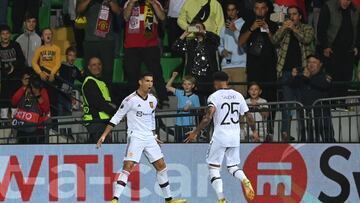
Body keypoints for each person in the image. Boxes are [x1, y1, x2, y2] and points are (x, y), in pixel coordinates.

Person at [96, 73, 187, 203]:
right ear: (140, 82)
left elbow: (151, 118)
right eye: (147, 81)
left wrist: (154, 135)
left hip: (149, 137)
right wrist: (104, 135)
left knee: (161, 166)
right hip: (136, 136)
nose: (150, 84)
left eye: (152, 81)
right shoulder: (130, 100)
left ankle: (169, 199)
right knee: (128, 166)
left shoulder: (153, 100)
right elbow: (116, 117)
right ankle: (115, 199)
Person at [184, 71, 258, 203]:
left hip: (220, 136)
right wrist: (254, 131)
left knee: (213, 168)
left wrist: (196, 132)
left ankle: (221, 199)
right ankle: (244, 179)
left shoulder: (214, 96)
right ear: (227, 81)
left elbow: (208, 117)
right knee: (233, 166)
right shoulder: (238, 95)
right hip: (235, 136)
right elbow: (249, 116)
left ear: (216, 82)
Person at [271, 6, 314, 141]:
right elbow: (274, 41)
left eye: (294, 14)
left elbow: (306, 39)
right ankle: (285, 134)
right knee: (287, 104)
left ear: (300, 16)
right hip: (286, 71)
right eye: (289, 15)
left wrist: (294, 29)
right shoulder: (285, 29)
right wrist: (284, 28)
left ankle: (303, 135)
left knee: (301, 104)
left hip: (303, 71)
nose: (292, 17)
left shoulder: (307, 28)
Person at [122, 0, 169, 106]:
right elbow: (125, 17)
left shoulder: (155, 2)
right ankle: (133, 100)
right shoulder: (129, 2)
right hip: (132, 45)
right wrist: (131, 3)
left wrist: (152, 3)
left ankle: (163, 98)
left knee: (156, 73)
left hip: (150, 45)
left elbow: (162, 17)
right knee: (132, 74)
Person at [318, 0, 360, 97]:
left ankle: (342, 104)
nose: (346, 2)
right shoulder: (328, 6)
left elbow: (358, 30)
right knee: (332, 80)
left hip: (349, 52)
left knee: (346, 79)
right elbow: (321, 29)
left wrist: (357, 46)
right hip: (332, 51)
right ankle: (331, 104)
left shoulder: (355, 9)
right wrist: (325, 46)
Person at [239, 0, 278, 103]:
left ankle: (270, 119)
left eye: (262, 8)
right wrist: (252, 28)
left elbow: (277, 43)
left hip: (270, 67)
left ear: (266, 9)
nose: (260, 11)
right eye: (257, 8)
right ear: (254, 10)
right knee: (253, 98)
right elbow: (240, 42)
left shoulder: (273, 24)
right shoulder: (248, 24)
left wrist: (268, 29)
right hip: (253, 67)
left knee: (270, 97)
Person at [172, 22, 220, 103]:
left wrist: (204, 32)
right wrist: (185, 34)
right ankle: (199, 115)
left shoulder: (210, 42)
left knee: (211, 101)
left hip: (209, 75)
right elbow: (175, 48)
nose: (197, 29)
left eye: (199, 27)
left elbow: (217, 39)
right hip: (194, 77)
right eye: (195, 28)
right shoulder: (190, 43)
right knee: (197, 101)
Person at [291, 54, 334, 142]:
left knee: (328, 140)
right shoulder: (302, 76)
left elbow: (325, 85)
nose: (311, 64)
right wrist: (294, 76)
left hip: (322, 115)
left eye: (314, 62)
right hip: (307, 116)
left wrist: (308, 79)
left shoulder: (325, 75)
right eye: (309, 62)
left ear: (320, 64)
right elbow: (292, 84)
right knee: (308, 142)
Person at [76, 0, 121, 84]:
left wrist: (110, 1)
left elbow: (118, 11)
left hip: (107, 41)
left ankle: (107, 95)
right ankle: (91, 94)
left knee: (107, 72)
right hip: (90, 40)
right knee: (89, 72)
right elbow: (79, 9)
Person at [82, 57, 117, 143]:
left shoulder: (100, 82)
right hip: (96, 121)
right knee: (103, 149)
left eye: (99, 64)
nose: (97, 67)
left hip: (102, 121)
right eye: (94, 65)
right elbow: (98, 103)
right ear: (89, 67)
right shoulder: (90, 82)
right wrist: (115, 112)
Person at [219, 1, 247, 95]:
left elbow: (244, 43)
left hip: (240, 65)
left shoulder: (244, 24)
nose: (231, 12)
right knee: (225, 96)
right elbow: (220, 44)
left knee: (240, 96)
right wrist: (222, 51)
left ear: (237, 11)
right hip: (226, 66)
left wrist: (235, 30)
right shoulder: (224, 27)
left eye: (233, 10)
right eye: (228, 10)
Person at [11, 73, 50, 144]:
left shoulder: (42, 91)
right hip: (22, 126)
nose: (28, 81)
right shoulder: (23, 89)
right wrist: (23, 87)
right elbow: (14, 101)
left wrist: (38, 94)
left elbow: (46, 109)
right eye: (26, 79)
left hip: (37, 128)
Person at [32, 28, 61, 117]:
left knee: (53, 102)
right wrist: (40, 73)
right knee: (43, 100)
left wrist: (52, 73)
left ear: (52, 36)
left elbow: (58, 63)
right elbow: (33, 62)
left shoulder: (57, 48)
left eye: (49, 34)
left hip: (53, 78)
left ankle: (54, 124)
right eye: (46, 34)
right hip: (43, 78)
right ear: (42, 37)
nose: (48, 35)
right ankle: (42, 120)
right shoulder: (39, 49)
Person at [166, 72, 200, 142]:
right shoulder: (179, 93)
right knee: (178, 144)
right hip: (178, 124)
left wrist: (190, 107)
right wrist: (173, 77)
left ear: (193, 85)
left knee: (188, 144)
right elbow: (167, 87)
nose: (187, 86)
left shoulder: (195, 97)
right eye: (185, 84)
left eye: (189, 84)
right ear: (182, 85)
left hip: (189, 125)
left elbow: (198, 111)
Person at [0, 25, 25, 120]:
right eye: (3, 34)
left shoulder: (15, 45)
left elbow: (22, 61)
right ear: (0, 35)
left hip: (16, 79)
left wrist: (13, 67)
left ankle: (16, 124)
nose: (5, 36)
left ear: (10, 35)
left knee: (15, 104)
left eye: (7, 33)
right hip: (4, 80)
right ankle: (4, 123)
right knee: (4, 105)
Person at [56, 47, 84, 116]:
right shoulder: (61, 66)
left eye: (74, 56)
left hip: (69, 95)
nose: (72, 57)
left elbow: (81, 79)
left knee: (68, 113)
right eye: (70, 55)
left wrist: (85, 73)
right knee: (59, 113)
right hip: (60, 93)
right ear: (66, 56)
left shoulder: (75, 69)